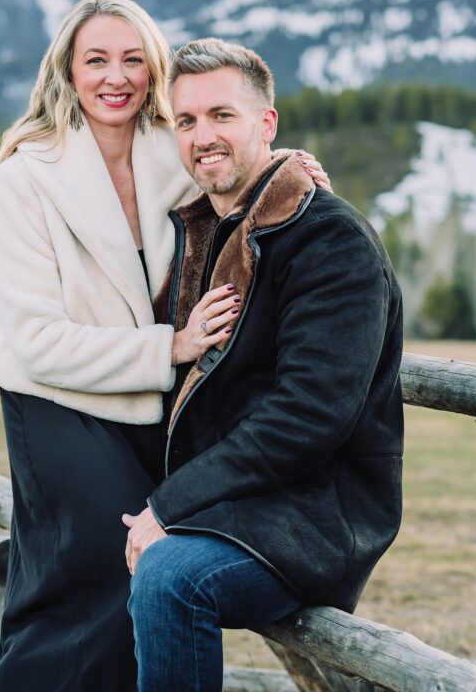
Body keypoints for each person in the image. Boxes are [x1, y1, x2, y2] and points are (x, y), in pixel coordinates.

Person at [0, 0, 330, 691]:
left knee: (127, 586)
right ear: (68, 72)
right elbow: (37, 340)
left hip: (150, 412)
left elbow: (233, 165)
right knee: (93, 581)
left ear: (154, 70)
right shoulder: (27, 175)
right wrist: (170, 347)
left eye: (133, 60)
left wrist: (287, 165)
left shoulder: (172, 149)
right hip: (57, 405)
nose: (117, 77)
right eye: (97, 60)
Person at [124, 38, 404, 692]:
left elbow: (309, 418)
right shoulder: (201, 234)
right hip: (231, 501)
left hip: (312, 516)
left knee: (168, 577)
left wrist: (168, 506)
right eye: (186, 121)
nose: (203, 136)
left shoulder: (332, 242)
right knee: (79, 539)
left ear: (267, 124)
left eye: (222, 115)